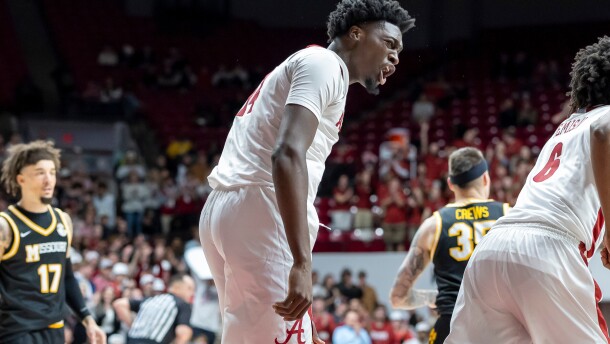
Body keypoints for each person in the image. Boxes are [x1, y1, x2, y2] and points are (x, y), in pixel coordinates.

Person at [199, 1, 414, 343]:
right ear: (355, 34)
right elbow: (286, 153)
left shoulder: (311, 66)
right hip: (260, 206)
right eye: (389, 44)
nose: (396, 57)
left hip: (228, 208)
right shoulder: (325, 64)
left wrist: (304, 314)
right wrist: (301, 264)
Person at [446, 36, 610, 343]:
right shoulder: (603, 118)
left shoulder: (569, 125)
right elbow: (604, 133)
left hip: (492, 250)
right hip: (548, 249)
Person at [390, 147, 509, 344]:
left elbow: (398, 297)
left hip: (452, 325)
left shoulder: (434, 224)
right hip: (500, 327)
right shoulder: (508, 215)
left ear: (450, 184)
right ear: (486, 178)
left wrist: (434, 298)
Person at [0, 140, 106, 343]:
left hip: (54, 329)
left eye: (52, 172)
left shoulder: (63, 221)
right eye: (40, 173)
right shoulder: (5, 226)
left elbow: (67, 277)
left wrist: (88, 320)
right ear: (20, 179)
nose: (48, 180)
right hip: (17, 331)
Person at [113, 273, 195, 344]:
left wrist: (133, 325)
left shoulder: (151, 300)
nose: (192, 293)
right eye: (189, 288)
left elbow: (119, 304)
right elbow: (184, 333)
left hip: (132, 340)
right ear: (177, 287)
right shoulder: (183, 304)